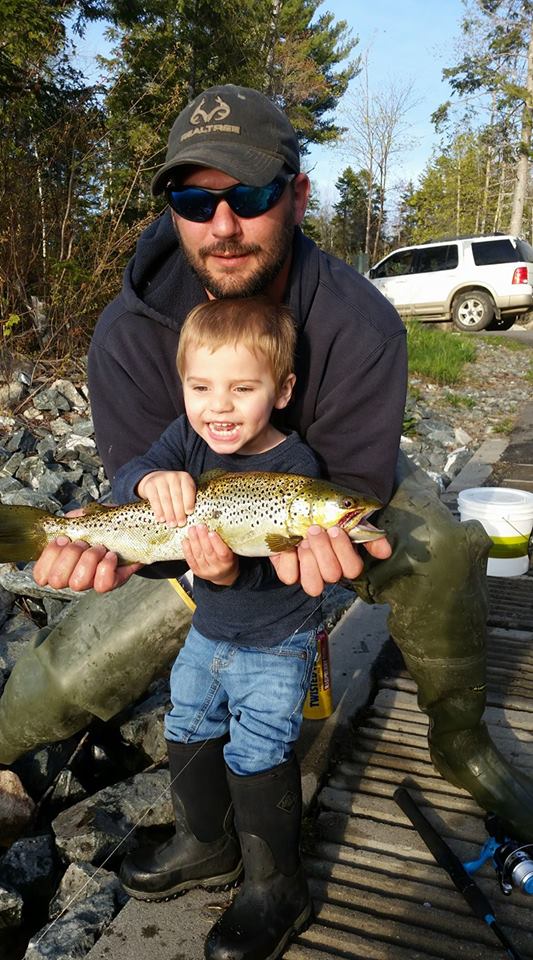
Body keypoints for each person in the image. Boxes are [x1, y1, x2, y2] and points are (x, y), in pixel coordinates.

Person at [32, 83, 533, 924]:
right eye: (195, 199)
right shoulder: (124, 333)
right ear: (173, 208)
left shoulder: (361, 322)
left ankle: (455, 739)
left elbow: (351, 487)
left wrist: (319, 557)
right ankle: (198, 837)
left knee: (443, 547)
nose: (221, 225)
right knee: (107, 689)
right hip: (190, 535)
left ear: (296, 195)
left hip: (300, 524)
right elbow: (136, 479)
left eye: (250, 195)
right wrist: (106, 538)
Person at [112, 296, 325, 958]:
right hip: (206, 634)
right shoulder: (184, 437)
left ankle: (276, 886)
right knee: (185, 725)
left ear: (281, 389)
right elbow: (126, 475)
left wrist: (233, 576)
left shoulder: (296, 470)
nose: (218, 406)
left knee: (259, 750)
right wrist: (149, 481)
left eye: (242, 388)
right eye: (201, 387)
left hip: (276, 645)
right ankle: (206, 845)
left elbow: (290, 569)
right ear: (183, 389)